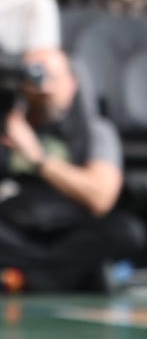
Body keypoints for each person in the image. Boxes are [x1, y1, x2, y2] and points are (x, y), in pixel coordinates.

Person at [0, 44, 139, 292]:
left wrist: (38, 158)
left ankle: (26, 278)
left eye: (53, 76)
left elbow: (101, 197)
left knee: (125, 231)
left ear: (72, 83)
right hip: (14, 223)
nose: (46, 86)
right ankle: (70, 276)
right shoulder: (6, 126)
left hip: (68, 224)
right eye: (36, 75)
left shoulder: (95, 131)